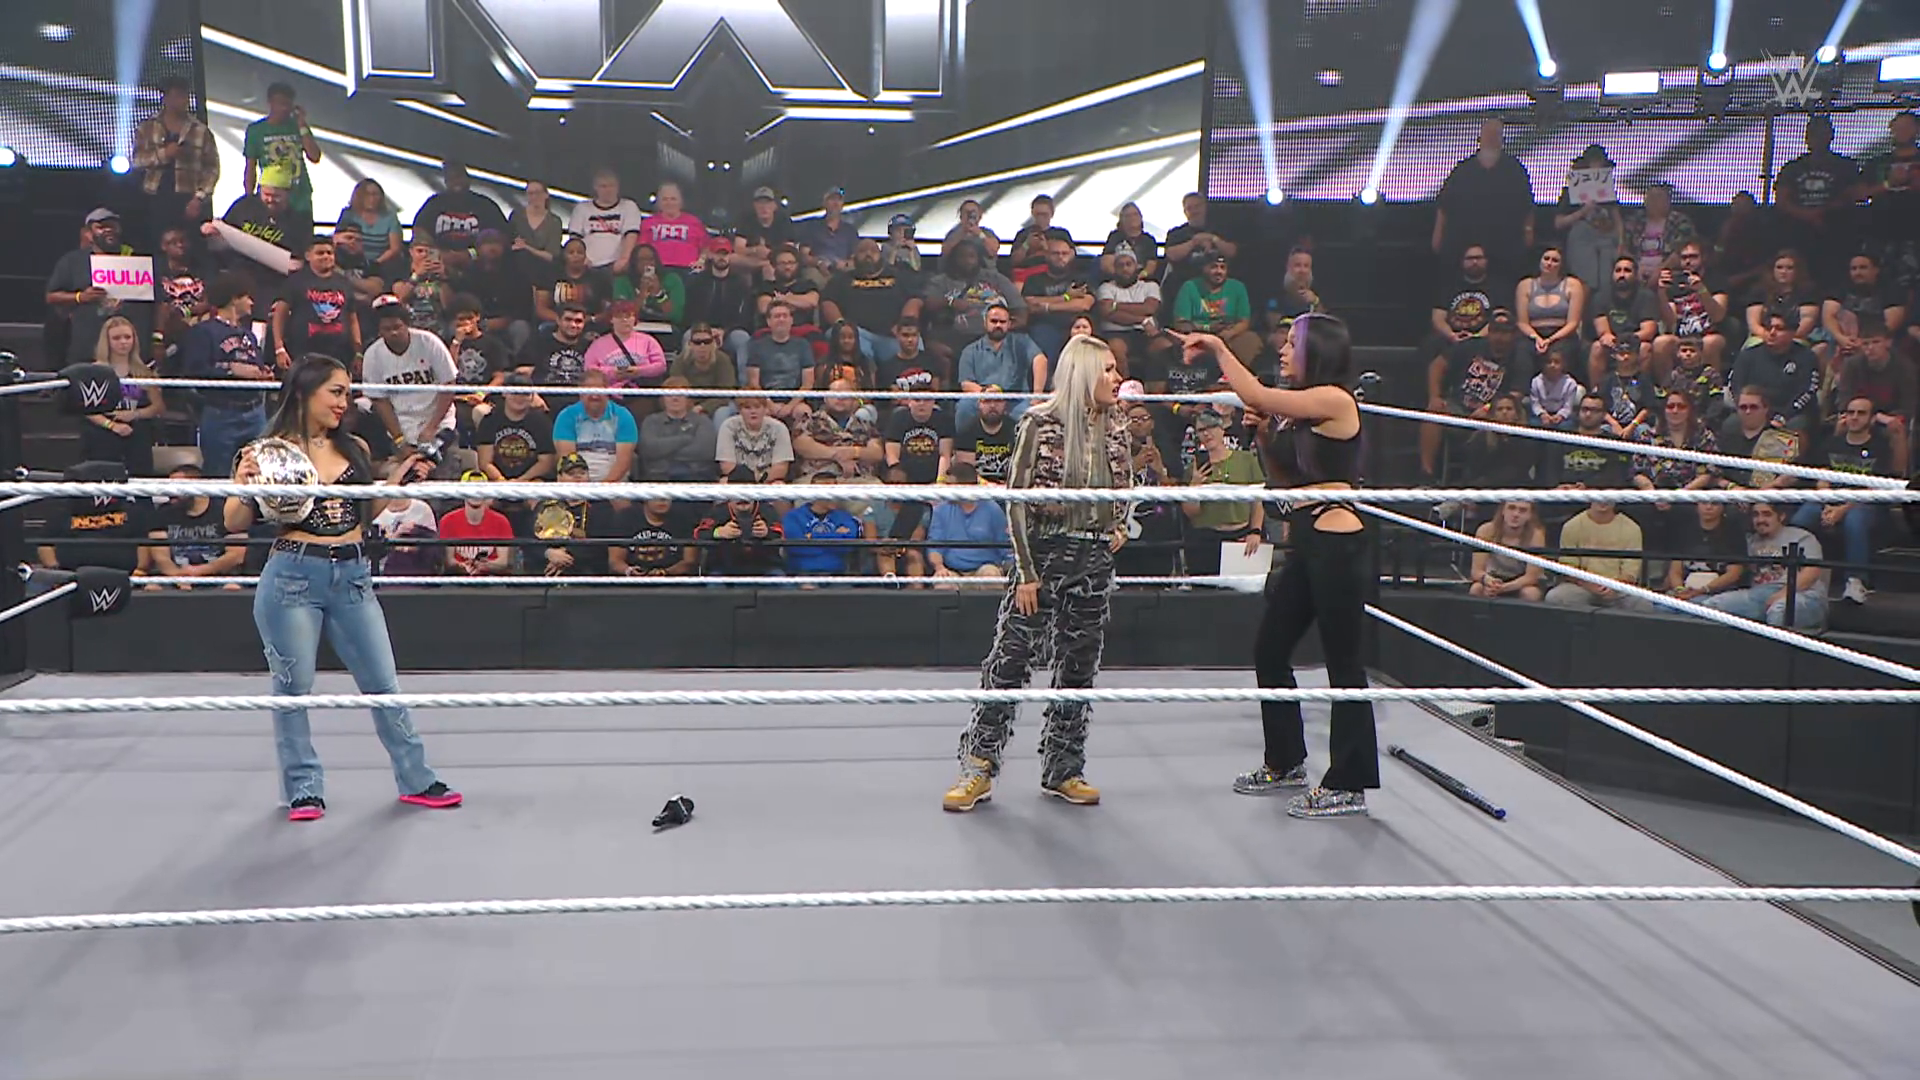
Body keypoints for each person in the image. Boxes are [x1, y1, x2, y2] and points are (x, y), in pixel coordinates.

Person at [226, 355, 463, 822]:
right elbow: (234, 522)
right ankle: (303, 790)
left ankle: (417, 779)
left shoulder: (353, 447)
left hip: (353, 574)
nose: (344, 402)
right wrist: (242, 486)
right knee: (293, 688)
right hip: (294, 575)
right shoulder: (267, 453)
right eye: (335, 392)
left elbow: (364, 513)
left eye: (347, 394)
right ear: (304, 392)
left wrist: (397, 481)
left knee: (383, 683)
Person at [1175, 316, 1378, 819]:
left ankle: (1349, 782)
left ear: (1318, 351)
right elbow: (1287, 479)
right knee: (1270, 648)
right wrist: (1264, 434)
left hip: (1338, 542)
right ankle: (1285, 760)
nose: (1283, 351)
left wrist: (1219, 347)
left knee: (1343, 664)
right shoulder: (1304, 409)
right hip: (1307, 539)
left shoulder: (1335, 400)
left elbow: (1257, 393)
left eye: (1292, 343)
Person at [943, 335, 1131, 813]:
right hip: (1044, 557)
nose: (1117, 378)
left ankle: (1064, 768)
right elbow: (1017, 501)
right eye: (1108, 369)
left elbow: (1126, 482)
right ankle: (978, 766)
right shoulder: (1039, 422)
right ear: (1084, 372)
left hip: (1093, 559)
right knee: (1010, 661)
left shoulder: (1116, 424)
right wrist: (1026, 571)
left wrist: (1120, 525)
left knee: (1078, 668)